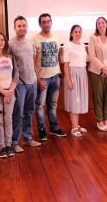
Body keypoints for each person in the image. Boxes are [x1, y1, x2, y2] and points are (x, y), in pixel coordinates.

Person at [9, 16, 42, 153]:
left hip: (32, 82)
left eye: (24, 25)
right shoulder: (10, 44)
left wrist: (36, 78)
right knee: (18, 113)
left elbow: (33, 62)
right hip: (19, 84)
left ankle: (28, 138)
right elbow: (9, 66)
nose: (22, 28)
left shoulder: (30, 43)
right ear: (15, 28)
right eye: (19, 26)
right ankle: (15, 142)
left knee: (29, 111)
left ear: (27, 27)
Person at [33, 13, 66, 141]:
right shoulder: (34, 40)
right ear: (40, 24)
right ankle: (41, 130)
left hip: (55, 77)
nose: (46, 24)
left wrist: (60, 74)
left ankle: (54, 128)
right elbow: (33, 61)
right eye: (44, 22)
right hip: (42, 78)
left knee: (52, 105)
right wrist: (38, 79)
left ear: (51, 23)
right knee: (40, 105)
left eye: (48, 21)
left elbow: (59, 57)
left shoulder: (57, 38)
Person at [88, 16, 107, 131]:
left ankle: (106, 119)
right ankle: (100, 120)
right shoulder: (93, 38)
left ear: (106, 24)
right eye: (99, 23)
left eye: (103, 23)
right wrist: (102, 68)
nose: (101, 25)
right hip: (96, 72)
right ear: (96, 25)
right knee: (98, 97)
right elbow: (92, 55)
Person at [63, 25, 89, 137]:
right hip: (73, 74)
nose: (78, 33)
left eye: (79, 31)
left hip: (82, 73)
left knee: (79, 100)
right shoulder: (68, 45)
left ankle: (77, 125)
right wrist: (68, 79)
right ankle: (73, 127)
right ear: (71, 33)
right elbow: (66, 64)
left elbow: (85, 60)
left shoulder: (83, 45)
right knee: (74, 100)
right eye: (75, 31)